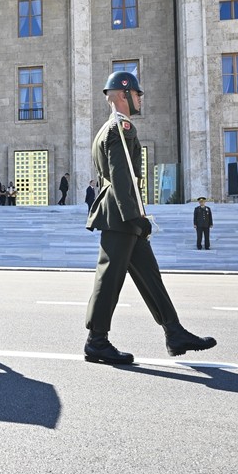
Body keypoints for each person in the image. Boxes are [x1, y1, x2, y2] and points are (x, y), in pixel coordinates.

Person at [81, 71, 217, 365]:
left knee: (150, 277)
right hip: (121, 216)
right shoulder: (122, 127)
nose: (141, 98)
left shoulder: (106, 129)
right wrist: (134, 216)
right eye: (137, 94)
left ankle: (174, 331)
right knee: (109, 279)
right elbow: (119, 176)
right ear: (122, 94)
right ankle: (96, 342)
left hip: (122, 215)